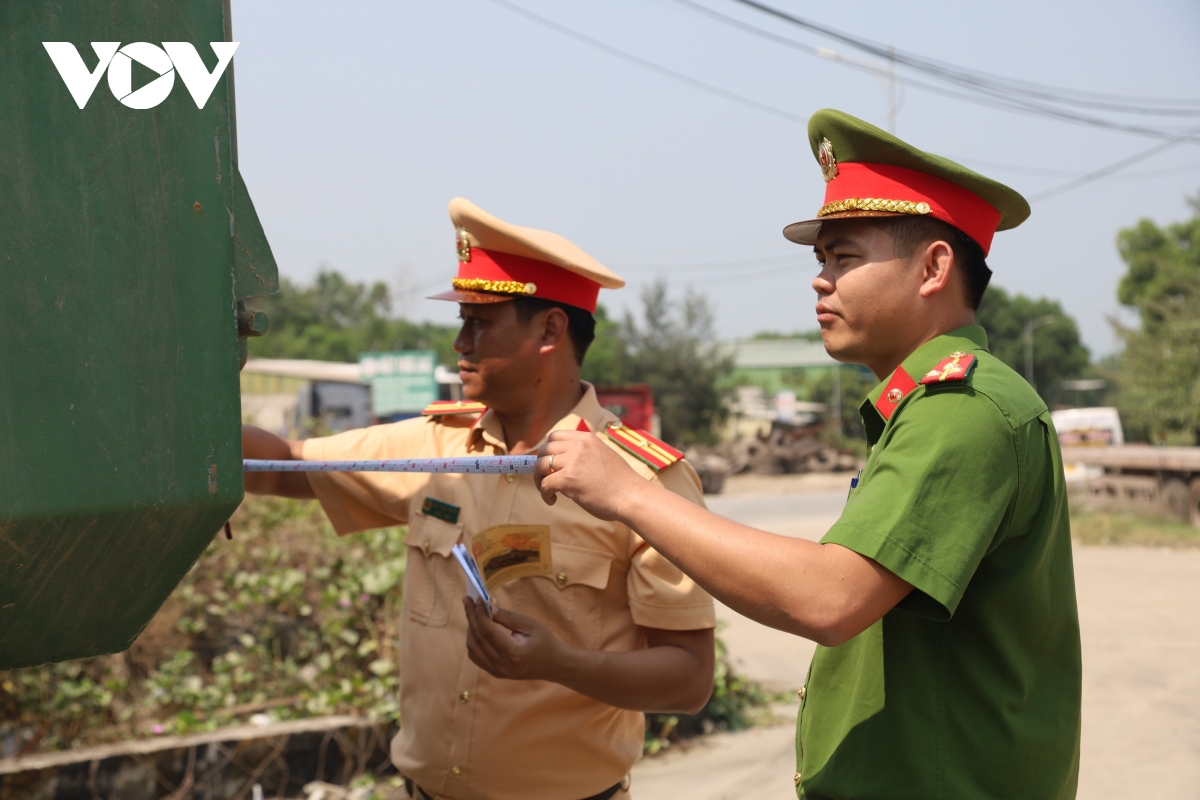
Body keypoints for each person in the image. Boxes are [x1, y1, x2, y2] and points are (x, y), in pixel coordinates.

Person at [535, 110, 1082, 799]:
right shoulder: (927, 405)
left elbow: (830, 598)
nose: (821, 281)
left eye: (844, 258)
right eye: (821, 261)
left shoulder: (961, 408)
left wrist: (629, 494)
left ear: (934, 267)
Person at [242, 198, 716, 800]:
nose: (459, 342)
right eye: (462, 320)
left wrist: (558, 663)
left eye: (480, 322)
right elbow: (284, 466)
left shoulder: (641, 481)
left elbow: (689, 679)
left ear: (550, 331)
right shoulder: (433, 447)